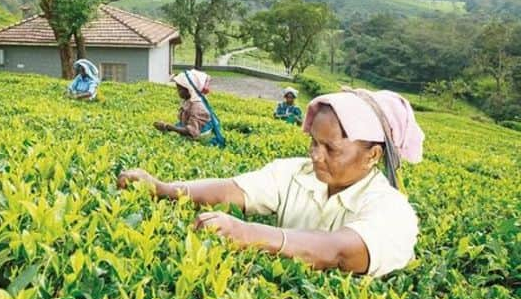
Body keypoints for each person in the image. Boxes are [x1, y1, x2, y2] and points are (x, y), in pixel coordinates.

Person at [119, 88, 425, 277]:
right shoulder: (294, 172)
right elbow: (232, 189)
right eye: (314, 143)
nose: (316, 156)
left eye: (331, 148)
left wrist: (247, 232)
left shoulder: (393, 211)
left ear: (372, 155)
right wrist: (163, 189)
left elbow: (339, 251)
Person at [154, 69, 225, 147]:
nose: (177, 91)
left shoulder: (197, 107)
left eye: (180, 89)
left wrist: (167, 126)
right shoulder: (190, 100)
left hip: (200, 143)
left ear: (190, 89)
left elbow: (191, 132)